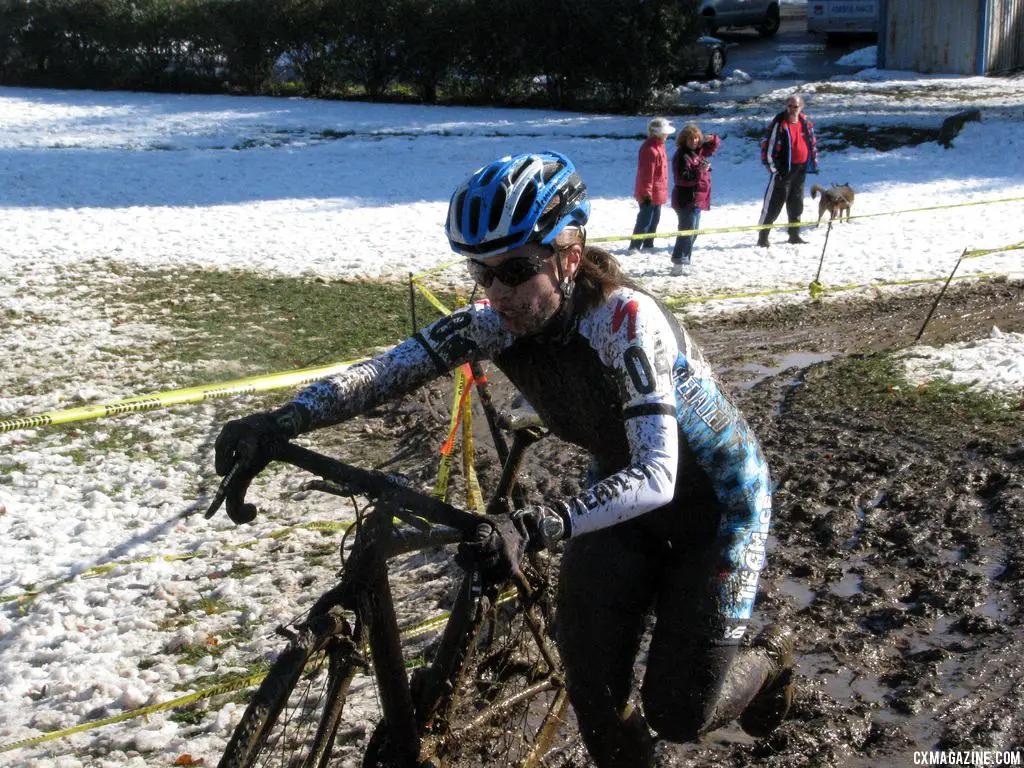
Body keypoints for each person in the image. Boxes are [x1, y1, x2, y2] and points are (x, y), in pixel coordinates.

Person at [213, 151, 795, 768]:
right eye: (481, 272)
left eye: (515, 270)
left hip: (716, 508)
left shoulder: (625, 321)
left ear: (569, 257)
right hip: (624, 501)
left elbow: (658, 473)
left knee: (678, 712)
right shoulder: (498, 323)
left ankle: (773, 660)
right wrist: (282, 421)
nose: (497, 293)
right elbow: (384, 373)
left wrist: (536, 524)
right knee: (596, 697)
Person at [757, 93, 818, 247]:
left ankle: (794, 234)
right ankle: (763, 237)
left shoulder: (805, 122)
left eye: (795, 106)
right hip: (783, 171)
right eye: (789, 106)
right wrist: (775, 170)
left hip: (800, 169)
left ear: (801, 107)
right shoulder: (780, 123)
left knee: (796, 203)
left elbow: (811, 143)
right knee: (774, 205)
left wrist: (811, 163)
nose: (792, 109)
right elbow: (768, 148)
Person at [670, 124, 721, 275]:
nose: (693, 141)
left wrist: (710, 137)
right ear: (683, 140)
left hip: (698, 200)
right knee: (686, 232)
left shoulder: (698, 153)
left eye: (696, 138)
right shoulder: (682, 156)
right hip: (685, 200)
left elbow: (713, 145)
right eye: (690, 138)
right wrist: (701, 171)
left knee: (693, 233)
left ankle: (685, 260)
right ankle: (678, 263)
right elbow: (682, 179)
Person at [629, 117, 674, 252]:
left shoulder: (659, 146)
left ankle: (648, 244)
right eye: (664, 132)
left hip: (658, 192)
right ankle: (635, 246)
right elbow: (646, 175)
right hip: (649, 193)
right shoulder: (650, 149)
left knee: (654, 221)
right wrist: (646, 194)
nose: (667, 135)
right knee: (644, 221)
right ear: (657, 133)